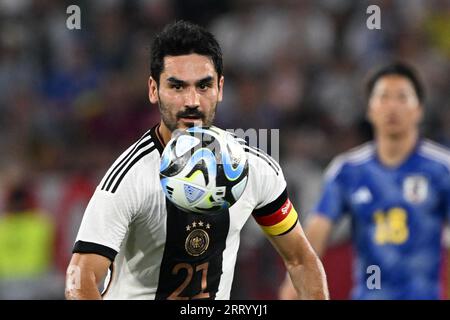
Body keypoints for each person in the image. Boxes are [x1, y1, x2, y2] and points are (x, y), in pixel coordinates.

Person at [65, 20, 328, 300]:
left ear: (220, 88)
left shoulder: (256, 169)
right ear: (153, 90)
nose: (192, 101)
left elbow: (300, 260)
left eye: (203, 86)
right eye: (177, 87)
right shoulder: (129, 178)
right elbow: (80, 281)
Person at [279, 62, 450, 300]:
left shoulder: (442, 170)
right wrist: (291, 294)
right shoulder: (348, 171)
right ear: (369, 109)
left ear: (419, 109)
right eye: (383, 97)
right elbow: (310, 247)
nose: (392, 106)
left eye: (402, 97)